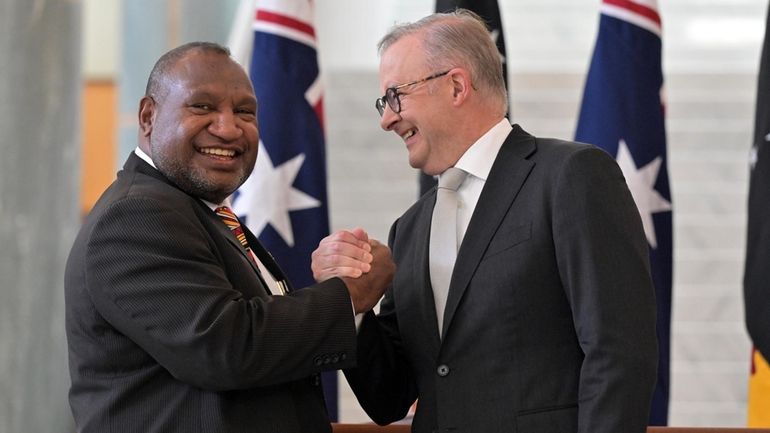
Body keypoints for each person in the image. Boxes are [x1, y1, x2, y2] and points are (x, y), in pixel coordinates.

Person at [311, 9, 658, 433]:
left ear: (456, 85)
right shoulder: (410, 228)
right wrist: (356, 305)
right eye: (384, 103)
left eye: (395, 96)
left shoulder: (571, 176)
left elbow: (618, 352)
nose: (386, 119)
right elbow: (390, 398)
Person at [64, 41, 393, 433]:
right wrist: (349, 295)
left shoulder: (203, 214)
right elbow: (224, 347)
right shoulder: (135, 216)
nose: (227, 128)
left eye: (244, 112)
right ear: (148, 116)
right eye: (202, 107)